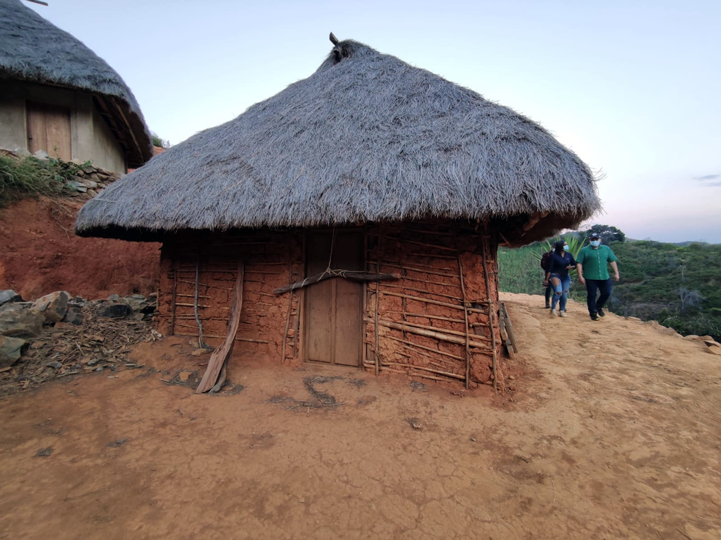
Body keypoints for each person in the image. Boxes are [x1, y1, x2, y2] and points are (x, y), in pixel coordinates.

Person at [576, 232, 620, 321]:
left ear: (600, 240)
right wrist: (580, 276)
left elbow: (612, 261)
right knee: (592, 295)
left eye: (596, 239)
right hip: (590, 277)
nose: (595, 241)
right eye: (593, 239)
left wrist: (616, 273)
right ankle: (593, 313)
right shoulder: (584, 250)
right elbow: (579, 263)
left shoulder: (606, 249)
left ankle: (599, 306)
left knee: (606, 293)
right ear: (590, 240)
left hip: (604, 276)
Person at [543, 240, 577, 317]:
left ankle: (562, 310)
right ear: (560, 246)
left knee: (565, 293)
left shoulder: (569, 255)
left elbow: (574, 264)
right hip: (555, 275)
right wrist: (547, 279)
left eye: (566, 244)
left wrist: (571, 267)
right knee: (558, 292)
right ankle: (553, 308)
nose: (566, 246)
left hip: (566, 276)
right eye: (564, 245)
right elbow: (550, 268)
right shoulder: (553, 256)